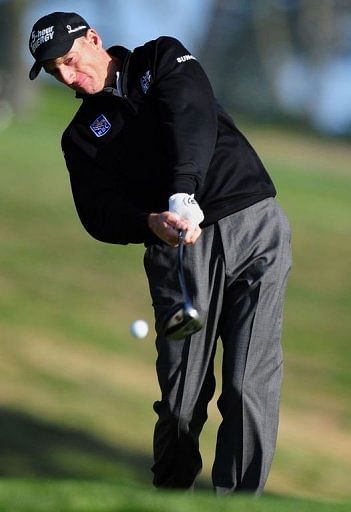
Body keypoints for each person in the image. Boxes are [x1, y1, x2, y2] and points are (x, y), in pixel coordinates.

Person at [29, 12, 292, 494]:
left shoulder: (161, 57)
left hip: (252, 220)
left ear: (94, 39)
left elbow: (191, 113)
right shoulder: (82, 136)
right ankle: (171, 498)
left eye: (69, 61)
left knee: (248, 382)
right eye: (53, 72)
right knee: (181, 400)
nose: (67, 77)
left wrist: (182, 192)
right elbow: (98, 213)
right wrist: (150, 222)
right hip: (177, 253)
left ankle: (239, 504)